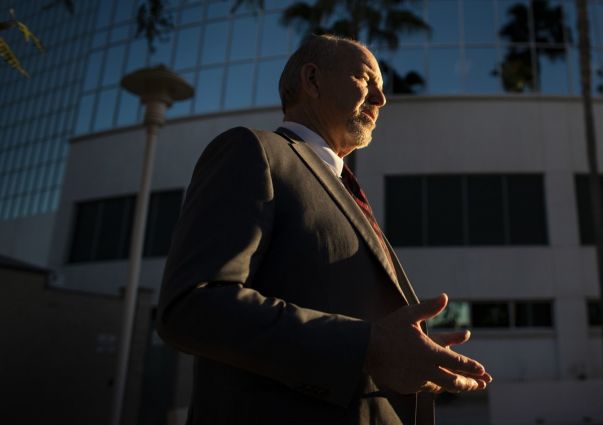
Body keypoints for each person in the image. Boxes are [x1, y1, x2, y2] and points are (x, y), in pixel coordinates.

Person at [156, 34, 492, 425]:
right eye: (367, 80)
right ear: (312, 80)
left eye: (383, 90)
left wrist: (409, 354)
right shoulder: (254, 152)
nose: (381, 100)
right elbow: (192, 306)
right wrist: (367, 347)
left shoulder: (345, 190)